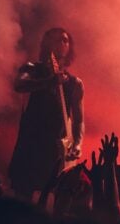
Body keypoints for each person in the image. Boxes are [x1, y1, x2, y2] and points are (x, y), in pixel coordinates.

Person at [8, 28, 84, 199]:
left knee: (57, 195)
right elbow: (20, 84)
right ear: (46, 43)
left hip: (56, 148)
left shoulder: (74, 83)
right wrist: (49, 81)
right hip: (30, 144)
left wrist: (77, 144)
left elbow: (78, 120)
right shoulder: (32, 69)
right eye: (56, 40)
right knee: (23, 194)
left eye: (65, 40)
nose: (62, 43)